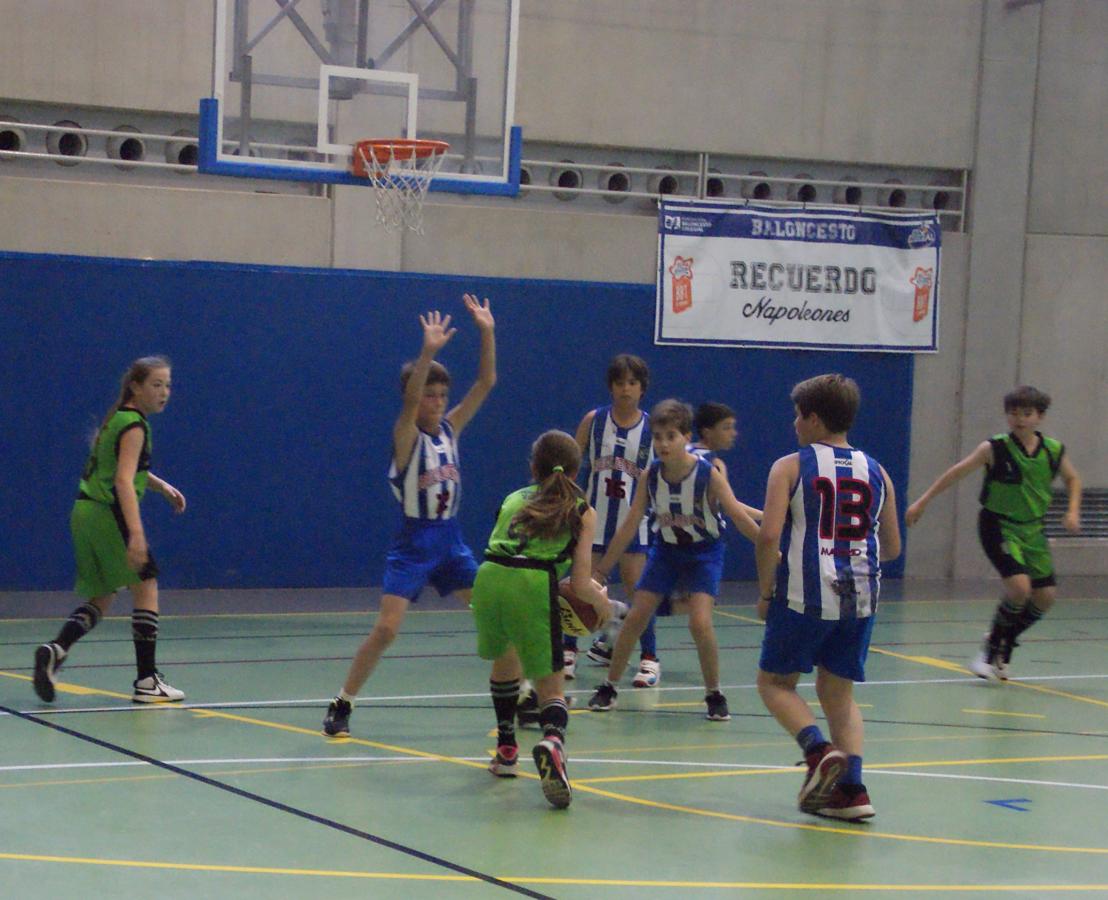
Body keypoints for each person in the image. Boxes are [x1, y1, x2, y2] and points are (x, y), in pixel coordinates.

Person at [322, 294, 496, 737]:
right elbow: (411, 398)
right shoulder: (405, 436)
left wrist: (487, 333)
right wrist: (427, 353)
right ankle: (343, 702)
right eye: (429, 395)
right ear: (414, 398)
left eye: (442, 396)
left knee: (493, 616)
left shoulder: (452, 429)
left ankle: (524, 694)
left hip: (451, 541)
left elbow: (486, 383)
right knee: (387, 629)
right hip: (414, 543)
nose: (436, 402)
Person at [755, 374, 900, 821]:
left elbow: (768, 537)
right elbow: (892, 546)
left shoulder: (790, 466)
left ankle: (819, 753)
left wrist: (766, 592)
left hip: (804, 595)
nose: (794, 423)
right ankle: (852, 791)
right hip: (862, 597)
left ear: (814, 419)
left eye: (798, 415)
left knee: (774, 684)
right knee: (839, 693)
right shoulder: (878, 471)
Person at [587, 399, 760, 720]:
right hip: (666, 551)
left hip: (704, 553)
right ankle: (609, 686)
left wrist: (772, 548)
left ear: (686, 437)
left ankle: (714, 693)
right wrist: (601, 569)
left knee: (700, 622)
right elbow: (629, 525)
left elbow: (737, 515)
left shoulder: (708, 474)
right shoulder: (651, 476)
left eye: (671, 436)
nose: (663, 444)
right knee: (637, 616)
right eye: (658, 437)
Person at [33, 356, 188, 704]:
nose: (164, 392)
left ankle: (55, 650)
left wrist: (162, 488)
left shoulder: (117, 419)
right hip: (108, 514)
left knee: (103, 595)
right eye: (156, 385)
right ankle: (147, 680)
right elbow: (121, 480)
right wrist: (136, 535)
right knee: (146, 584)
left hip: (84, 512)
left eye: (168, 385)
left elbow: (125, 468)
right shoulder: (135, 425)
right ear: (135, 386)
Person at [471, 430, 611, 809]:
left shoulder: (513, 498)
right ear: (576, 471)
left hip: (487, 578)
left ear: (533, 467)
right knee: (551, 687)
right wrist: (604, 605)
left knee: (506, 659)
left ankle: (506, 751)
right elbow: (581, 583)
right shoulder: (582, 509)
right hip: (532, 583)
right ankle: (552, 741)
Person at [905, 385, 1082, 680]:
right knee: (1020, 588)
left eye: (1027, 413)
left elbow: (1073, 478)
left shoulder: (1052, 450)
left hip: (1033, 529)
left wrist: (1073, 510)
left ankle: (1002, 640)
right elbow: (957, 472)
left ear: (1040, 417)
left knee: (1046, 596)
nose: (1020, 419)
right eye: (1014, 413)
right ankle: (990, 654)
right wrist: (923, 501)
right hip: (998, 525)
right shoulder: (994, 448)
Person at [572, 353, 661, 689]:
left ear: (642, 389)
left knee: (641, 594)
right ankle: (569, 650)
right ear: (611, 386)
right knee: (580, 586)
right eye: (620, 382)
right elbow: (572, 463)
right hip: (594, 520)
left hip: (635, 524)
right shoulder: (593, 421)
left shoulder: (653, 429)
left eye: (633, 383)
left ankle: (650, 658)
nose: (626, 389)